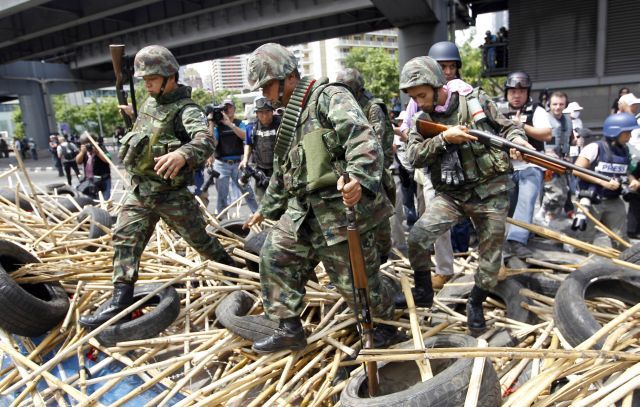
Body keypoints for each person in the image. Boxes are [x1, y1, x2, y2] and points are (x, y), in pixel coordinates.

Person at [243, 42, 398, 353]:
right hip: (304, 213)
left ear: (287, 77)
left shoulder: (328, 97)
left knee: (356, 285)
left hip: (340, 211)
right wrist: (266, 209)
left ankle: (385, 326)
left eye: (269, 86)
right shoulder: (290, 119)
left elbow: (363, 138)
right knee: (274, 255)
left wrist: (358, 178)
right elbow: (283, 171)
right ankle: (289, 327)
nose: (267, 95)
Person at [79, 45, 236, 330]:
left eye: (151, 78)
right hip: (141, 190)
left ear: (170, 76)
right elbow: (145, 137)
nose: (147, 84)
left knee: (202, 243)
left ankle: (237, 276)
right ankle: (121, 298)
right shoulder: (150, 104)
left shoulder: (186, 109)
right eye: (144, 79)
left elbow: (205, 140)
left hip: (170, 194)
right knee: (125, 238)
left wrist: (182, 154)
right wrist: (131, 116)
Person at [398, 56, 530, 335]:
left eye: (421, 95)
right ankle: (423, 291)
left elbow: (507, 127)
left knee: (491, 259)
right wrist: (444, 139)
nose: (418, 102)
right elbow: (412, 157)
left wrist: (518, 139)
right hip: (452, 194)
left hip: (490, 191)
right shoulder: (421, 119)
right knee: (418, 237)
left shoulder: (475, 102)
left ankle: (476, 302)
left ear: (437, 85)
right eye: (413, 97)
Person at [399, 41, 462, 290]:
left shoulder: (465, 94)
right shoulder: (418, 100)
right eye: (442, 66)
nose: (447, 72)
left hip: (464, 168)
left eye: (451, 66)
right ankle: (443, 269)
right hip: (432, 169)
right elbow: (408, 131)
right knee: (431, 222)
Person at [335, 67, 395, 263]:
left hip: (375, 171)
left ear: (358, 91)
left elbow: (374, 144)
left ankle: (384, 254)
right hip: (354, 170)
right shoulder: (345, 107)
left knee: (381, 216)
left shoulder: (372, 107)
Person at [499, 71, 552, 259]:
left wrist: (522, 126)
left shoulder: (536, 110)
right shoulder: (498, 109)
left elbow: (547, 134)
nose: (516, 95)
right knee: (506, 204)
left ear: (528, 93)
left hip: (531, 164)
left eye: (521, 91)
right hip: (505, 166)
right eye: (512, 91)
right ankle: (504, 238)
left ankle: (517, 240)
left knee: (527, 198)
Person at [574, 113, 639, 249]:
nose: (630, 136)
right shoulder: (595, 148)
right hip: (592, 200)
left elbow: (624, 171)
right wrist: (602, 182)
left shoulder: (624, 150)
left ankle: (624, 268)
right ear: (615, 132)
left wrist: (632, 180)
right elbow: (577, 170)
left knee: (621, 240)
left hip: (614, 200)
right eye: (626, 133)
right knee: (584, 240)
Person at [210, 99, 258, 215]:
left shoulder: (239, 123)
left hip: (238, 163)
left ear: (234, 109)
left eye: (230, 107)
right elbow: (212, 143)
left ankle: (257, 215)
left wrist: (230, 125)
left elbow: (245, 137)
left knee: (247, 191)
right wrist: (211, 123)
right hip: (221, 164)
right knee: (222, 194)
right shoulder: (218, 126)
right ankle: (222, 220)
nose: (228, 110)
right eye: (225, 108)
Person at [240, 96, 280, 202]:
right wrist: (245, 159)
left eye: (267, 112)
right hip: (260, 171)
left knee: (281, 201)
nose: (264, 115)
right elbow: (248, 144)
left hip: (279, 170)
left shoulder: (282, 124)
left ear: (272, 111)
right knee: (262, 202)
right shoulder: (251, 127)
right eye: (261, 112)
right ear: (257, 113)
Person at [541, 91, 574, 219]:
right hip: (546, 161)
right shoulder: (543, 118)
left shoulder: (568, 119)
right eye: (555, 104)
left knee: (564, 192)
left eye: (561, 104)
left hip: (563, 161)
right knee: (551, 192)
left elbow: (571, 139)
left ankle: (551, 217)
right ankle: (544, 216)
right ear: (549, 104)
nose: (557, 107)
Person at [75, 133, 112, 200]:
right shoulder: (84, 150)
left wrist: (97, 152)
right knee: (91, 199)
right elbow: (78, 161)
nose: (87, 145)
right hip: (90, 180)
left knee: (105, 199)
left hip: (103, 179)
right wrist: (82, 152)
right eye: (84, 143)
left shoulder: (100, 147)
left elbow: (108, 160)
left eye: (87, 143)